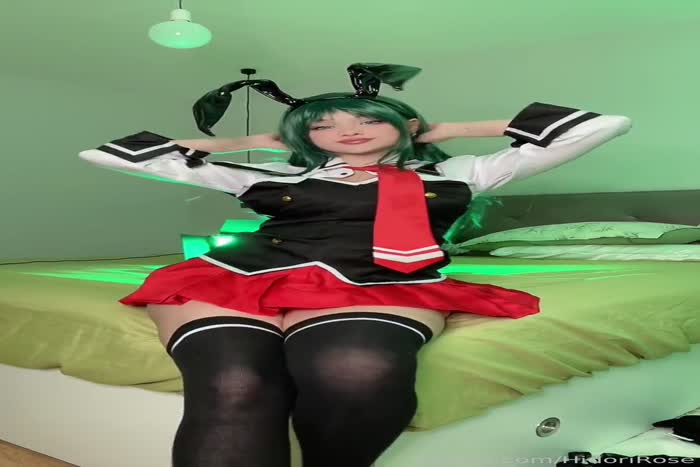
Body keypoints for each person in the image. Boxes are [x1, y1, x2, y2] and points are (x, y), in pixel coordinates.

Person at [78, 63, 632, 467]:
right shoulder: (279, 175)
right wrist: (256, 141)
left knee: (357, 371)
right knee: (235, 382)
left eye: (365, 118)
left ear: (400, 123)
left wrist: (444, 131)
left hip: (380, 281)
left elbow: (602, 125)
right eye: (323, 126)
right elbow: (104, 153)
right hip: (241, 277)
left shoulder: (459, 172)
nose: (348, 131)